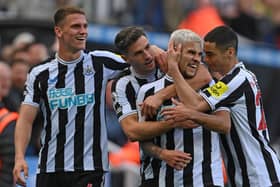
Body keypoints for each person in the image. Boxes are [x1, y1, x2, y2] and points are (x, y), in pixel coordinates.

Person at [13, 6, 129, 187]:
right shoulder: (40, 73)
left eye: (85, 26)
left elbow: (142, 62)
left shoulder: (101, 62)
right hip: (50, 169)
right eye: (76, 26)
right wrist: (19, 156)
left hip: (90, 169)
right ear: (58, 31)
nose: (83, 31)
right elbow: (25, 120)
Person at [161, 26, 280, 186]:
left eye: (210, 55)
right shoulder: (236, 79)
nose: (206, 60)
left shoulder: (236, 80)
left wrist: (174, 69)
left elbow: (196, 105)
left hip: (258, 176)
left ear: (230, 52)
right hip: (246, 176)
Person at [136, 29, 230, 187]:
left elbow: (224, 125)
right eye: (191, 53)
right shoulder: (148, 92)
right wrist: (163, 153)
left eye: (200, 55)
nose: (196, 60)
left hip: (206, 180)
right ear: (174, 51)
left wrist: (191, 115)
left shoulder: (218, 86)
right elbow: (143, 141)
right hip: (165, 179)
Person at [0, 62, 18, 187]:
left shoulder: (8, 120)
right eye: (1, 78)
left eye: (8, 79)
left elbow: (9, 165)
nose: (5, 83)